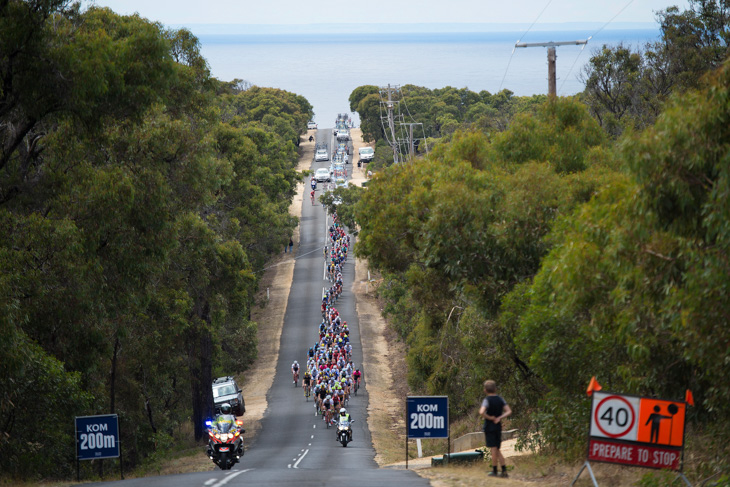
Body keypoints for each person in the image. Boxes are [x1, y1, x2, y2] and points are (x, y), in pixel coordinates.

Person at [479, 380, 511, 477]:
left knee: (493, 449)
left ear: (485, 390)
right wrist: (500, 417)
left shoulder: (487, 400)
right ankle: (504, 470)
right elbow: (508, 411)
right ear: (495, 389)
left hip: (489, 426)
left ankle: (495, 470)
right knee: (497, 449)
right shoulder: (500, 399)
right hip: (498, 426)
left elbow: (481, 412)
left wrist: (490, 417)